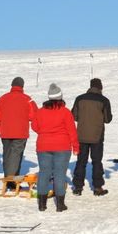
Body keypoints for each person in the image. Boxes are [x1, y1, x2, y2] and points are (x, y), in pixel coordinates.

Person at [32, 83, 79, 212]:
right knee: (59, 174)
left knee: (44, 174)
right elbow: (72, 131)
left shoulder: (40, 112)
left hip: (43, 146)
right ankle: (60, 205)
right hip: (62, 147)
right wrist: (75, 146)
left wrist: (45, 133)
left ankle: (42, 205)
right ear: (60, 97)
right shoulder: (65, 112)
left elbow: (34, 127)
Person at [0, 76, 37, 188]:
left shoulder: (3, 99)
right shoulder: (27, 99)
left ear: (12, 86)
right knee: (16, 156)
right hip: (20, 133)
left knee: (7, 156)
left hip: (5, 133)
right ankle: (12, 181)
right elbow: (34, 115)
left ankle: (9, 179)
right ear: (22, 86)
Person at [72, 78, 113, 196]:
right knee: (96, 161)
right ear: (100, 87)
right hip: (97, 136)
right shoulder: (104, 100)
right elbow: (107, 119)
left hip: (81, 136)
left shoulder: (79, 99)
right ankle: (98, 187)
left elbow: (74, 116)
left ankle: (78, 187)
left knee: (81, 161)